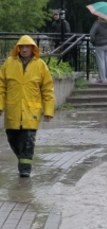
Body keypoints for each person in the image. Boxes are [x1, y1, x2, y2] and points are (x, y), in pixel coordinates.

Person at [0, 35, 55, 178]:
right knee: (12, 138)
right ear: (18, 48)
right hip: (13, 110)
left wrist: (48, 110)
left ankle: (25, 169)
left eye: (27, 47)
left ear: (33, 49)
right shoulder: (9, 63)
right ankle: (23, 159)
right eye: (22, 47)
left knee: (28, 140)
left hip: (32, 111)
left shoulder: (40, 65)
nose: (24, 50)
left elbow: (47, 89)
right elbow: (1, 86)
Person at [89, 17, 107, 84]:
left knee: (101, 62)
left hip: (99, 44)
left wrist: (93, 42)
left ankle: (102, 79)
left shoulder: (97, 23)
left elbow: (91, 34)